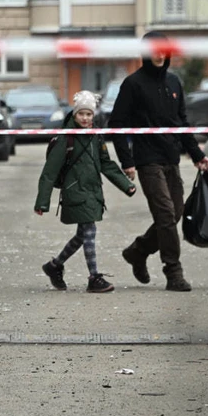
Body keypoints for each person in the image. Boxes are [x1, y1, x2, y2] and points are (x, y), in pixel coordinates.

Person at [108, 31, 208, 292]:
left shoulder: (174, 83)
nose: (158, 53)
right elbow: (117, 124)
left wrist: (197, 154)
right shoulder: (133, 84)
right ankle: (173, 272)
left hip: (171, 158)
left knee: (174, 213)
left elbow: (181, 124)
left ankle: (137, 251)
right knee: (165, 215)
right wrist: (127, 161)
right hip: (147, 161)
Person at [35, 90, 136, 293]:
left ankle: (54, 266)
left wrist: (125, 184)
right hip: (75, 193)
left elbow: (106, 164)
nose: (85, 118)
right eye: (81, 114)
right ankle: (93, 277)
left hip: (93, 192)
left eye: (89, 114)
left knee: (83, 235)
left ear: (93, 116)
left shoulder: (96, 136)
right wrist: (42, 202)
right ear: (74, 114)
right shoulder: (66, 138)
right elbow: (49, 172)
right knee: (89, 232)